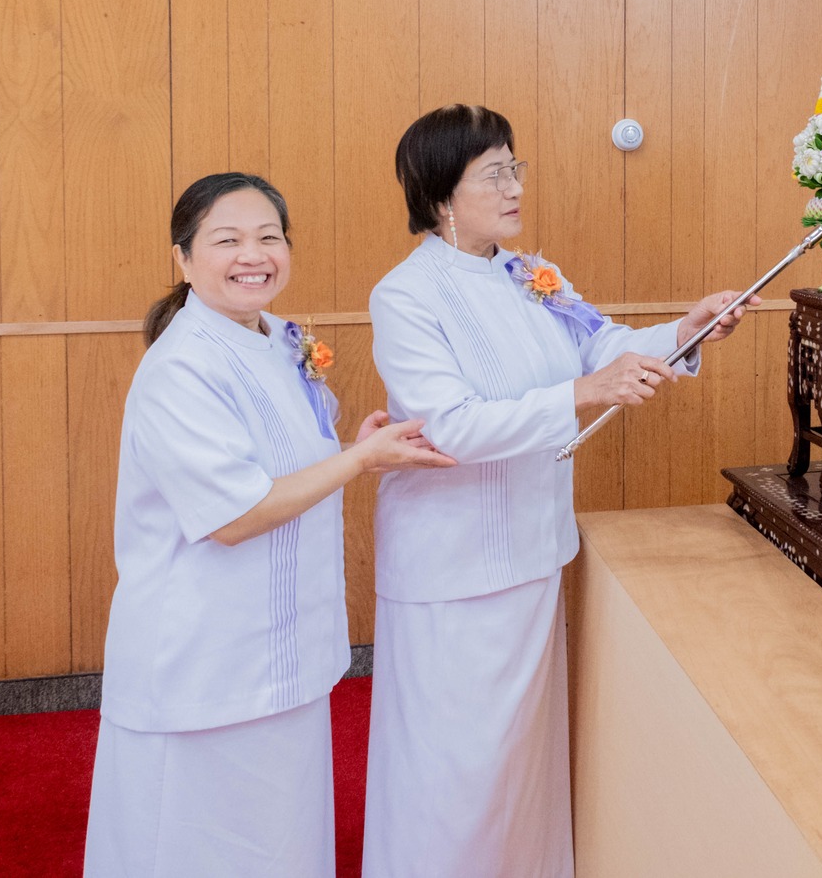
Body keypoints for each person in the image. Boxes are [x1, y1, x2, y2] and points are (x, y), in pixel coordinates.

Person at [363, 106, 755, 878]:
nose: (515, 186)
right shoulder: (404, 295)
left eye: (515, 167)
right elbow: (450, 426)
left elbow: (603, 344)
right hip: (453, 566)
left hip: (532, 550)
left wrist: (687, 330)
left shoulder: (530, 274)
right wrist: (582, 392)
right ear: (440, 196)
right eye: (494, 174)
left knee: (521, 765)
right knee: (458, 771)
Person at [85, 173, 454, 877]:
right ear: (183, 257)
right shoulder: (181, 368)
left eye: (269, 237)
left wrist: (353, 448)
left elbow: (291, 458)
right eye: (227, 240)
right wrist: (358, 461)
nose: (253, 255)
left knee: (283, 837)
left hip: (283, 639)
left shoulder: (279, 337)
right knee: (197, 845)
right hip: (204, 655)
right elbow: (234, 514)